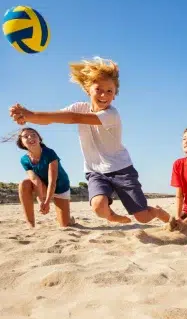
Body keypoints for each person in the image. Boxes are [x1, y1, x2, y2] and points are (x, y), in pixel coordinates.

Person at [9, 57, 169, 224]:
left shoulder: (111, 114)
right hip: (95, 171)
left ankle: (157, 212)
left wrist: (31, 115)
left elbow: (73, 118)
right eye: (98, 89)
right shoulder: (79, 107)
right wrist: (28, 118)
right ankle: (111, 216)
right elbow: (54, 118)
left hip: (122, 169)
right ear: (87, 90)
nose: (104, 95)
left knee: (142, 217)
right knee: (99, 207)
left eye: (109, 91)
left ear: (115, 95)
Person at [16, 127, 72, 227]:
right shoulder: (24, 160)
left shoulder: (49, 153)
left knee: (65, 224)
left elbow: (52, 181)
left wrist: (47, 202)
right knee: (24, 184)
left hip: (60, 188)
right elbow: (35, 181)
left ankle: (70, 219)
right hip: (44, 187)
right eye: (26, 136)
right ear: (21, 143)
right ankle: (30, 224)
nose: (30, 137)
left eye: (34, 135)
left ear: (39, 139)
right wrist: (41, 201)